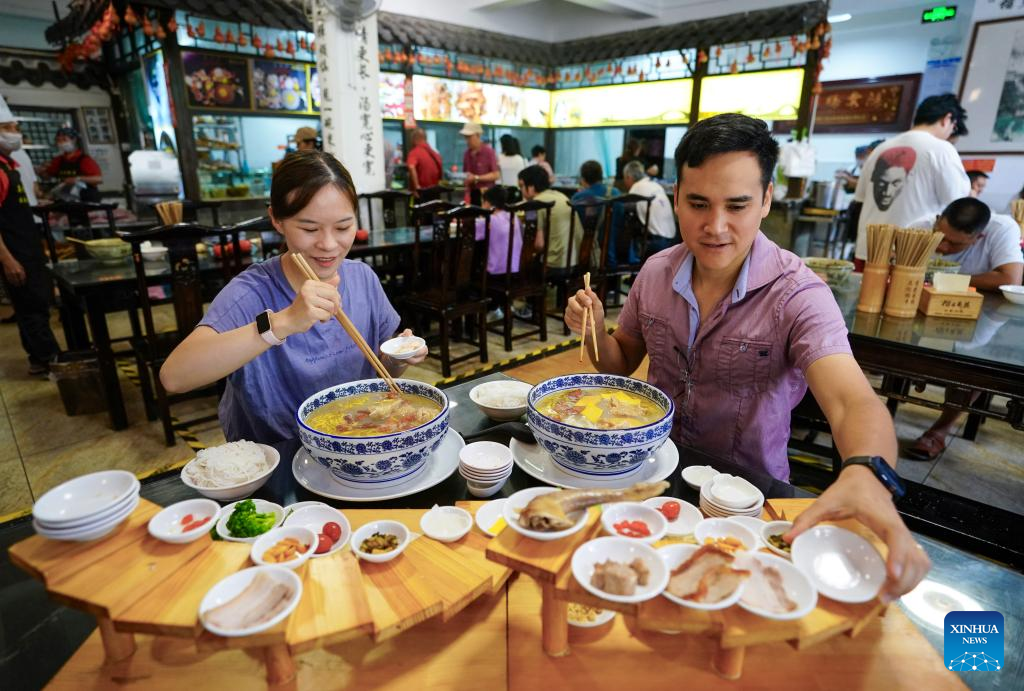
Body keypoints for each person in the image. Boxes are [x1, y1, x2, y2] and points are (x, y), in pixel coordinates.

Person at [565, 113, 931, 603]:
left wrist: (867, 473)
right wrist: (592, 329)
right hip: (652, 477)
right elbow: (621, 363)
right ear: (677, 197)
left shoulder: (798, 294)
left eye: (737, 205)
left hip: (746, 500)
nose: (715, 227)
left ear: (766, 199)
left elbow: (851, 402)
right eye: (698, 203)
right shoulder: (655, 273)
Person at [160, 151, 427, 443]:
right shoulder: (250, 292)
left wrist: (399, 357)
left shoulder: (362, 278)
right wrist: (283, 322)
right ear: (276, 219)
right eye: (309, 228)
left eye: (343, 227)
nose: (329, 244)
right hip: (278, 452)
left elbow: (383, 372)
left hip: (353, 441)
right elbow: (175, 377)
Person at [903, 197, 1023, 461]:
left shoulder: (1002, 229)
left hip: (979, 314)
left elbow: (1010, 278)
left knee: (974, 362)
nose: (943, 246)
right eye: (940, 236)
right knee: (888, 345)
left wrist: (945, 279)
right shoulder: (921, 227)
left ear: (978, 237)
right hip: (920, 308)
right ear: (938, 220)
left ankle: (939, 431)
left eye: (955, 243)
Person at [851, 94, 971, 270]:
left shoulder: (880, 148)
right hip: (907, 257)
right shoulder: (942, 149)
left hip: (867, 251)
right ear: (947, 119)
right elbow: (959, 203)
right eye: (954, 127)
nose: (950, 134)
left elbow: (860, 198)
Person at [0, 97, 61, 375]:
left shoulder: (10, 166)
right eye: (7, 127)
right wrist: (7, 260)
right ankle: (50, 361)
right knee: (33, 307)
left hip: (27, 246)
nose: (15, 132)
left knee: (33, 305)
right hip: (15, 252)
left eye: (15, 127)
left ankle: (39, 360)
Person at [518, 164, 572, 270]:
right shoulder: (561, 196)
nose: (521, 191)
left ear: (531, 187)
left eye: (521, 186)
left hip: (554, 264)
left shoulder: (537, 204)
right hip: (573, 260)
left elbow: (539, 245)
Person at [623, 159, 678, 257]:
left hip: (657, 244)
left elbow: (626, 208)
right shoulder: (655, 185)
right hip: (673, 240)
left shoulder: (636, 188)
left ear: (628, 177)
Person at [572, 160, 623, 264]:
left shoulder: (579, 198)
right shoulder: (616, 193)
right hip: (615, 253)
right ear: (601, 176)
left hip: (588, 256)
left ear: (583, 179)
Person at [41, 126, 102, 202]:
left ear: (74, 140)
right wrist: (41, 172)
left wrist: (77, 179)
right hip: (66, 198)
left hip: (86, 199)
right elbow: (48, 176)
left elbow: (98, 179)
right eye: (58, 140)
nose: (61, 143)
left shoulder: (85, 160)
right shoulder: (58, 160)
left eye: (64, 139)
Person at [478, 185, 522, 275]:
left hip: (496, 272)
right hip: (516, 270)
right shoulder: (513, 217)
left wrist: (481, 216)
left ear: (487, 203)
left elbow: (469, 233)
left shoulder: (489, 220)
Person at [460, 123, 499, 205]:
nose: (467, 140)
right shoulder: (466, 154)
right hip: (472, 194)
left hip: (487, 195)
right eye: (465, 137)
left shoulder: (489, 152)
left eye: (469, 137)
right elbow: (465, 174)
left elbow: (495, 175)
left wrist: (476, 178)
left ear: (478, 135)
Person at [406, 128, 443, 200]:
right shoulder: (435, 154)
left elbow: (411, 167)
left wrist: (417, 187)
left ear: (414, 139)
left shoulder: (415, 152)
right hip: (435, 193)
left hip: (422, 194)